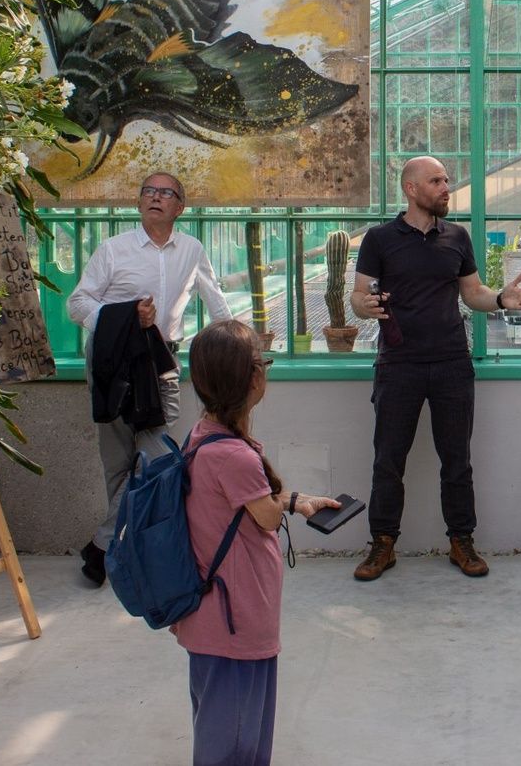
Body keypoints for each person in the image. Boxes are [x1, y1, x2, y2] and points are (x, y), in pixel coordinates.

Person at [348, 155, 521, 581]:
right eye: (436, 181)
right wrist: (365, 305)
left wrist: (499, 300)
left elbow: (473, 292)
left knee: (457, 460)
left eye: (446, 180)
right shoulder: (379, 239)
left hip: (451, 362)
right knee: (388, 460)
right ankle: (382, 544)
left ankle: (461, 541)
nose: (446, 188)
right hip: (398, 364)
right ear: (411, 189)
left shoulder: (457, 237)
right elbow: (357, 296)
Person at [174, 320, 340, 766]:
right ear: (252, 379)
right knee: (237, 739)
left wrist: (296, 501)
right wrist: (286, 500)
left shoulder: (203, 435)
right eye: (262, 362)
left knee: (221, 724)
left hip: (212, 618)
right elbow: (265, 514)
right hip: (235, 619)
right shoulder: (235, 456)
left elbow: (253, 503)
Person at [66, 171, 233, 587]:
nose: (155, 197)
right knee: (117, 460)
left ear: (180, 207)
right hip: (113, 360)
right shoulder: (113, 249)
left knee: (156, 457)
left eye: (166, 193)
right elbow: (77, 304)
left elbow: (216, 302)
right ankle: (122, 551)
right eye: (149, 191)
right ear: (139, 202)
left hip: (161, 362)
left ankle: (102, 545)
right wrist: (124, 317)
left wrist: (238, 346)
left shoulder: (192, 250)